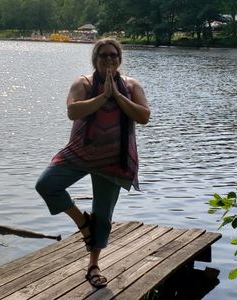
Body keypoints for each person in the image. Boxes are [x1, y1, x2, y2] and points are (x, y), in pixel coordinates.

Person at [36, 38, 150, 288]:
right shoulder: (84, 83)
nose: (109, 60)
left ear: (119, 59)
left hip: (114, 158)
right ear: (95, 59)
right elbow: (73, 111)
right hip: (81, 152)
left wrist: (117, 96)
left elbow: (144, 116)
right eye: (103, 56)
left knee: (104, 216)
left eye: (113, 55)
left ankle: (93, 265)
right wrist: (103, 97)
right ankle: (82, 223)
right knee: (46, 185)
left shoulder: (131, 85)